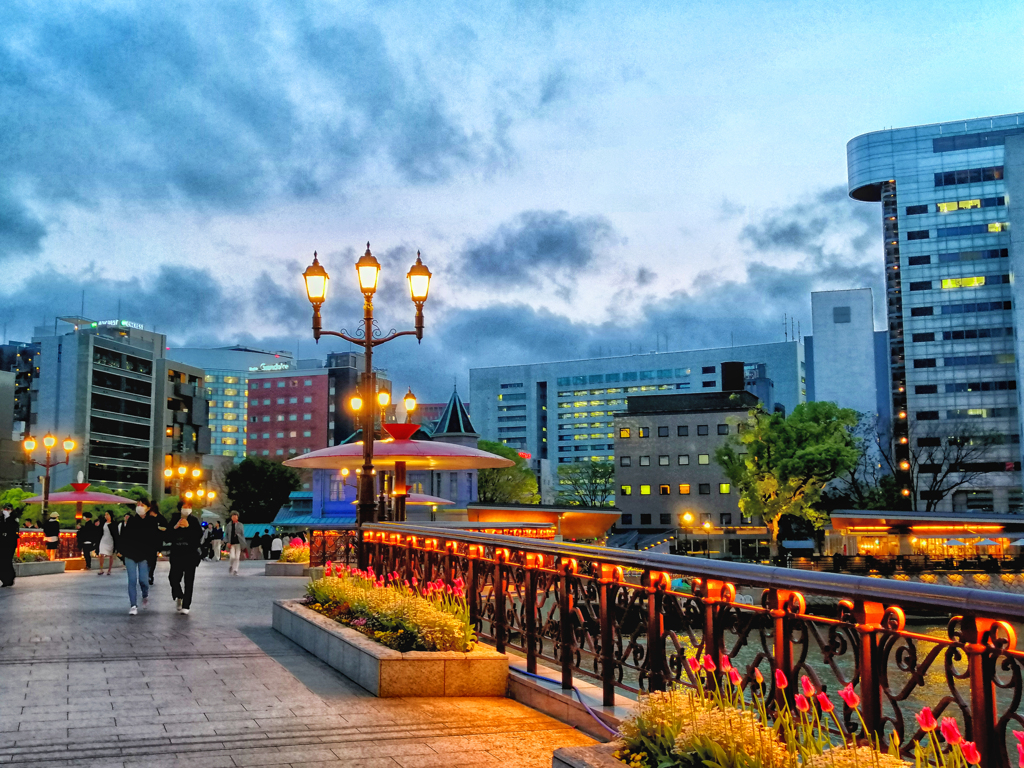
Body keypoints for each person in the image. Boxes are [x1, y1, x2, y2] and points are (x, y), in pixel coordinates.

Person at [118, 501, 152, 615]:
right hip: (130, 554)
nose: (139, 507)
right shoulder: (131, 520)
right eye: (138, 505)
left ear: (148, 508)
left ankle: (145, 595)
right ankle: (133, 605)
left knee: (143, 580)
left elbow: (153, 538)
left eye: (142, 505)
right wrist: (121, 550)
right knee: (132, 580)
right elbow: (124, 536)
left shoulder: (150, 521)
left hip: (143, 555)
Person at [168, 502, 202, 614]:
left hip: (190, 555)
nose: (187, 509)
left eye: (189, 507)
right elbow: (167, 536)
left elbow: (198, 537)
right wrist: (175, 527)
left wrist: (188, 527)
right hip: (177, 554)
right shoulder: (174, 519)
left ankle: (186, 605)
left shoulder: (194, 521)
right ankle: (179, 595)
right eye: (185, 507)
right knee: (173, 578)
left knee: (189, 580)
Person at [145, 503, 167, 586]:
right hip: (147, 542)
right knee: (147, 559)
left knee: (153, 559)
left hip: (156, 542)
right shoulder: (147, 518)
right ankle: (147, 574)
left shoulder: (160, 518)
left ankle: (150, 574)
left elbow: (166, 528)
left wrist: (159, 529)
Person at [1, 504, 19, 587]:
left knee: (7, 560)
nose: (6, 510)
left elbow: (12, 528)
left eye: (8, 509)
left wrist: (8, 518)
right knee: (2, 560)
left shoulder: (14, 518)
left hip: (10, 542)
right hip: (2, 541)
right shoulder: (1, 518)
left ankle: (9, 578)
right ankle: (4, 579)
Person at [97, 510, 118, 575]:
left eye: (107, 514)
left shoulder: (114, 523)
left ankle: (109, 569)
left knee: (110, 555)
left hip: (110, 540)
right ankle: (101, 569)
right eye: (105, 515)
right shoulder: (103, 523)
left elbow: (116, 533)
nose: (105, 516)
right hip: (104, 539)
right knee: (102, 554)